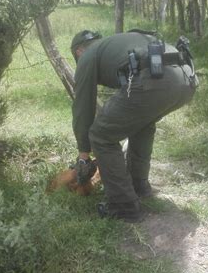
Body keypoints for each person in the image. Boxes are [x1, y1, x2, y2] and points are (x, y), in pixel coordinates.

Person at [70, 29, 198, 222]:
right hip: (186, 77)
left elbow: (83, 107)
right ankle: (139, 187)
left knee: (101, 136)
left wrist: (83, 155)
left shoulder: (87, 56)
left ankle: (123, 207)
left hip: (157, 77)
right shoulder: (116, 43)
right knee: (142, 123)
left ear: (79, 51)